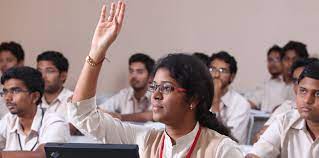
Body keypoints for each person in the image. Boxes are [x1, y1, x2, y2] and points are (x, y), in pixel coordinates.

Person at [68, 2, 243, 157]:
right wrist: (96, 52)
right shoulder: (146, 139)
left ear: (193, 99)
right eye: (154, 87)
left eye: (166, 88)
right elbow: (83, 116)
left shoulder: (222, 150)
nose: (155, 95)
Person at [246, 61, 319, 158]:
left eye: (318, 94)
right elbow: (257, 154)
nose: (307, 100)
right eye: (303, 91)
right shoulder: (284, 121)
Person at [0, 66, 69, 151]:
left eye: (15, 91)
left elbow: (42, 155)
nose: (7, 98)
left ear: (35, 96)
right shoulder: (9, 120)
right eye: (5, 92)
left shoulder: (54, 122)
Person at [209, 51, 251, 144]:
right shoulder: (200, 97)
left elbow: (230, 142)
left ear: (232, 77)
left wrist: (216, 100)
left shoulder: (241, 104)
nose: (216, 75)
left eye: (222, 71)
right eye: (212, 69)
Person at [98, 53, 154, 122]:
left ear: (150, 77)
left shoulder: (157, 94)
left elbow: (152, 115)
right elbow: (100, 110)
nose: (133, 76)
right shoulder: (124, 94)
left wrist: (120, 117)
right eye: (131, 71)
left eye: (139, 72)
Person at [246, 45, 289, 112]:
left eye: (277, 59)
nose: (273, 63)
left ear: (284, 61)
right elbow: (251, 103)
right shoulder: (264, 85)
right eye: (270, 60)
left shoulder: (289, 84)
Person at [36, 51, 73, 119]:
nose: (43, 76)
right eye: (39, 71)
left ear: (63, 76)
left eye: (49, 71)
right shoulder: (33, 100)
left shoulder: (73, 100)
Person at [0, 41, 25, 119]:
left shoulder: (30, 87)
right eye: (1, 61)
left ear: (20, 63)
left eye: (9, 60)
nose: (4, 65)